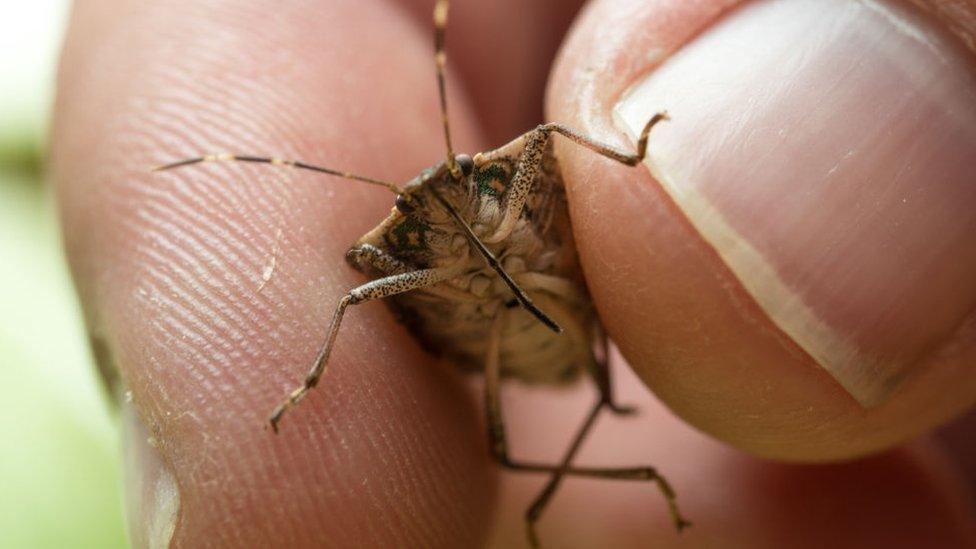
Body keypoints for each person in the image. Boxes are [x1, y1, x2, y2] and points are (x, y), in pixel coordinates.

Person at [52, 0, 976, 546]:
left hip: (586, 310)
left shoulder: (514, 173)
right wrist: (305, 379)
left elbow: (543, 136)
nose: (443, 205)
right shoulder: (403, 259)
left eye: (452, 191)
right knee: (495, 449)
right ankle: (635, 470)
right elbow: (352, 271)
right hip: (504, 347)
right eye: (429, 213)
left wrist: (630, 157)